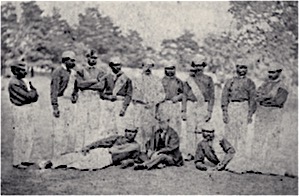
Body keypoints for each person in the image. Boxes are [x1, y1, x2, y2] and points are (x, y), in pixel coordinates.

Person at [38, 125, 140, 170]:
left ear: (136, 134)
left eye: (132, 132)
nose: (130, 134)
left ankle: (59, 165)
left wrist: (128, 162)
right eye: (128, 131)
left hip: (108, 160)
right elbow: (102, 142)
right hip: (103, 152)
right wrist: (89, 146)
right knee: (77, 155)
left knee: (85, 165)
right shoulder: (117, 138)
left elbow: (135, 159)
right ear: (125, 131)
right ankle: (50, 162)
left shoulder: (135, 146)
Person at [251, 63, 289, 175]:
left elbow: (278, 101)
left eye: (273, 72)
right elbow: (256, 96)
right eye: (269, 72)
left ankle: (269, 165)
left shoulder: (283, 85)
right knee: (258, 137)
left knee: (272, 139)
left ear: (279, 72)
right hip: (262, 114)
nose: (271, 74)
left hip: (274, 113)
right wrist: (265, 98)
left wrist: (264, 100)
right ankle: (256, 164)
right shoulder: (264, 84)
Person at [221, 59, 256, 173]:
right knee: (231, 133)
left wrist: (250, 113)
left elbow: (252, 98)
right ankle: (228, 160)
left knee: (242, 134)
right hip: (233, 107)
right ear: (236, 68)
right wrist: (225, 112)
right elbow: (224, 97)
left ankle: (240, 162)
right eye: (240, 67)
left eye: (244, 67)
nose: (242, 70)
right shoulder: (230, 81)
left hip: (244, 106)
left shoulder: (250, 82)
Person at [181, 54, 215, 161]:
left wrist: (209, 111)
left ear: (204, 66)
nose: (198, 68)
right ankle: (190, 152)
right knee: (190, 129)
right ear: (193, 66)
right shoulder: (189, 80)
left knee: (201, 130)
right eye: (196, 65)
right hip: (191, 104)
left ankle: (200, 153)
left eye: (200, 65)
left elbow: (211, 97)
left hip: (202, 105)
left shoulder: (208, 79)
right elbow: (185, 95)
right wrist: (184, 110)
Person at [71, 49, 106, 150]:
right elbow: (79, 85)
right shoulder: (80, 71)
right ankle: (78, 149)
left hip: (95, 98)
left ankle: (91, 149)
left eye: (95, 58)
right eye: (91, 57)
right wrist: (94, 81)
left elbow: (101, 86)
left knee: (94, 124)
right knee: (80, 124)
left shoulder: (101, 71)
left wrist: (87, 83)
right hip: (83, 98)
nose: (93, 60)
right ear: (87, 58)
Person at [8, 60, 39, 169]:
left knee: (29, 134)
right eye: (21, 70)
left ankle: (25, 159)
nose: (24, 71)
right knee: (20, 134)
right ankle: (17, 161)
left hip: (28, 108)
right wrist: (32, 94)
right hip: (19, 109)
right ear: (15, 71)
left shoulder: (24, 81)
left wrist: (32, 93)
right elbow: (27, 96)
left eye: (24, 69)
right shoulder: (13, 83)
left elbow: (36, 95)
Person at [129, 58, 165, 152]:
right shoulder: (136, 79)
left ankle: (150, 150)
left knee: (150, 129)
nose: (148, 68)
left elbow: (162, 94)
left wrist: (153, 102)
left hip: (151, 108)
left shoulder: (156, 80)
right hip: (139, 107)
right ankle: (138, 150)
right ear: (142, 66)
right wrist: (139, 101)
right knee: (138, 128)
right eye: (146, 66)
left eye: (150, 66)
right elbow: (133, 93)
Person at [50, 51, 77, 157]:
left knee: (69, 127)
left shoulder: (72, 72)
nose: (73, 62)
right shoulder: (58, 71)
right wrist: (55, 106)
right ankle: (57, 154)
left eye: (74, 60)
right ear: (65, 60)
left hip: (69, 102)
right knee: (59, 128)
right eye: (71, 60)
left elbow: (75, 87)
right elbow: (54, 90)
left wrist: (74, 95)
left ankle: (66, 153)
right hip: (60, 101)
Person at [99, 57, 133, 136]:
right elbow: (101, 93)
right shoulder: (106, 77)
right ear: (111, 66)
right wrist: (109, 97)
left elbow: (129, 94)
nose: (118, 67)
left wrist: (124, 108)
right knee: (106, 127)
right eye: (115, 65)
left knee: (120, 127)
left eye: (119, 65)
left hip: (120, 104)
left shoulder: (127, 79)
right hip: (108, 104)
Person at [158, 60, 184, 139]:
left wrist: (178, 97)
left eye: (172, 68)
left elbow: (184, 94)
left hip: (174, 105)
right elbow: (156, 94)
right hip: (164, 105)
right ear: (165, 69)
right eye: (168, 68)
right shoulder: (161, 81)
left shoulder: (178, 81)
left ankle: (174, 145)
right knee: (163, 125)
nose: (170, 71)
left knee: (175, 125)